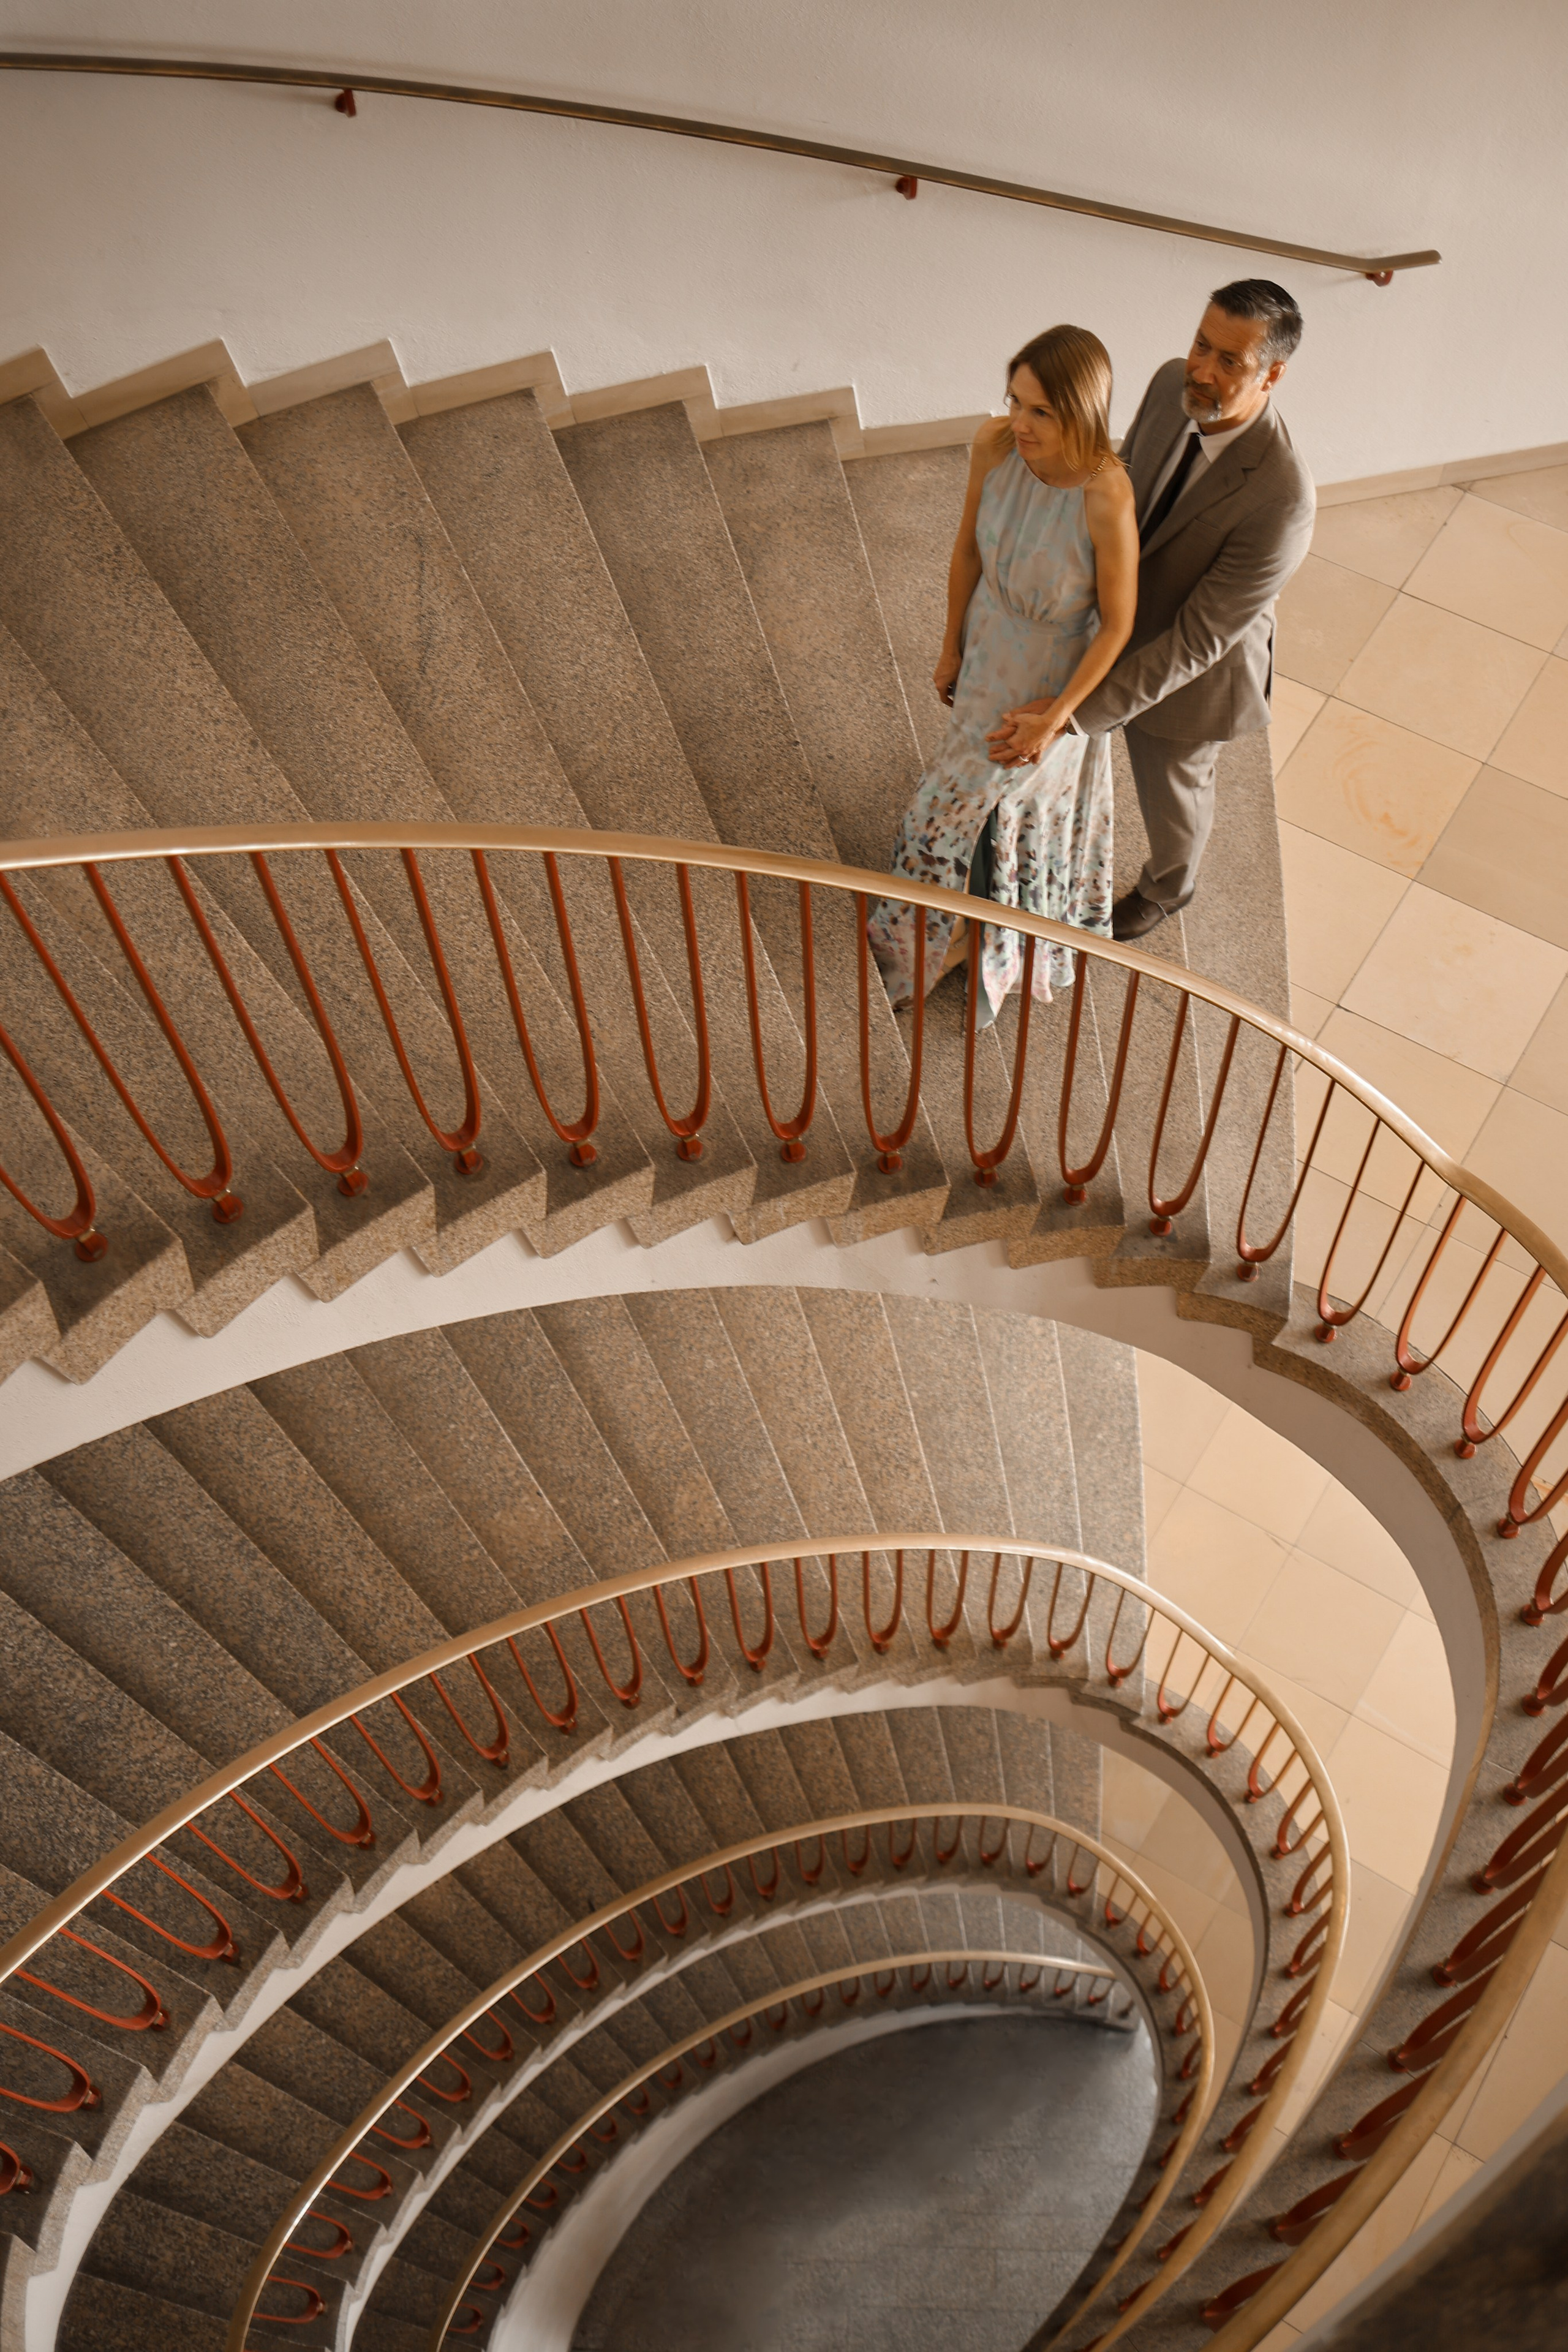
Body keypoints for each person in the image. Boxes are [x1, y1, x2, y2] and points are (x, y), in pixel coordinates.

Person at [867, 324, 1138, 1023]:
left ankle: (964, 943)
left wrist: (1058, 718)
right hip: (988, 650)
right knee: (978, 814)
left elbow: (1115, 626)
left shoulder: (1106, 494)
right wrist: (950, 643)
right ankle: (962, 934)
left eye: (1040, 411)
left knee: (950, 815)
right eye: (1014, 400)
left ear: (1081, 412)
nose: (1017, 422)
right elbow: (966, 550)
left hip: (1051, 684)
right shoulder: (992, 446)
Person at [1070, 279, 1316, 941]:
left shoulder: (1282, 500)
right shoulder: (1166, 385)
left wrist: (1076, 715)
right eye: (1201, 345)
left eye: (1229, 361)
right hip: (1118, 619)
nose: (1201, 372)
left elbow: (1195, 644)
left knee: (1173, 794)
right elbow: (1121, 479)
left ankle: (1169, 888)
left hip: (1192, 676)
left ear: (1273, 374)